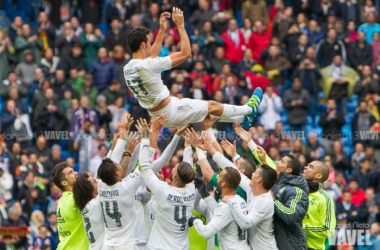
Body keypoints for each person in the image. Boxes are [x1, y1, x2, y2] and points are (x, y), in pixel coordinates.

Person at [124, 8, 262, 128]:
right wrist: (180, 26)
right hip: (171, 111)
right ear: (143, 45)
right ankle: (248, 109)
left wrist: (161, 31)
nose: (150, 45)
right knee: (212, 105)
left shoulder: (128, 68)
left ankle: (241, 118)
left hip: (160, 114)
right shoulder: (148, 65)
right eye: (149, 43)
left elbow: (152, 56)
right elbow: (186, 53)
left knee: (208, 111)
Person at [137, 116, 197, 250]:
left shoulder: (163, 190)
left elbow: (144, 167)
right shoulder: (191, 190)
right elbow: (187, 168)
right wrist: (186, 143)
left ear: (174, 176)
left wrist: (145, 138)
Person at [190, 167, 251, 250]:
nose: (217, 176)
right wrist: (205, 194)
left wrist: (194, 220)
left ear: (223, 183)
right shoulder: (240, 201)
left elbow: (207, 232)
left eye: (220, 176)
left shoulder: (225, 206)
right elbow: (224, 216)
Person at [223, 164, 278, 250]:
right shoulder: (253, 189)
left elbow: (246, 223)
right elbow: (236, 172)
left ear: (259, 179)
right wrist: (214, 153)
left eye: (255, 172)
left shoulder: (265, 202)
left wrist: (231, 201)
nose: (252, 173)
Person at [51, 162, 89, 249]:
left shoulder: (62, 200)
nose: (76, 173)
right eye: (71, 172)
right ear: (64, 182)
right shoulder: (74, 199)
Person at [303, 161, 337, 250]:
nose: (306, 167)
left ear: (318, 176)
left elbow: (328, 230)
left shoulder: (324, 198)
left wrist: (302, 227)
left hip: (311, 247)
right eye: (307, 165)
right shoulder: (298, 191)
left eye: (311, 166)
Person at [72, 173, 105, 250]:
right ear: (90, 191)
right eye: (95, 181)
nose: (99, 182)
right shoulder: (96, 204)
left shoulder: (84, 208)